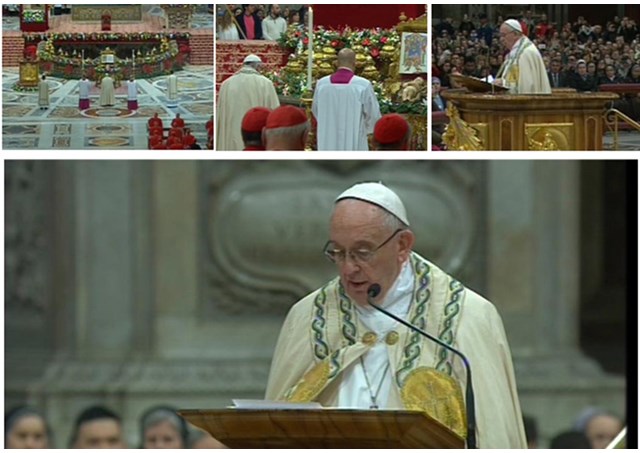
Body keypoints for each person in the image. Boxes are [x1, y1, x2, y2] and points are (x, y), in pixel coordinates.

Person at [265, 182, 527, 448]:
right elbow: (272, 427)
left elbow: (494, 431)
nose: (348, 268)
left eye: (362, 252)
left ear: (402, 245)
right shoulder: (308, 316)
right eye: (337, 252)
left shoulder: (467, 315)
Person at [312, 48, 381, 151]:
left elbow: (316, 110)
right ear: (354, 63)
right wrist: (366, 131)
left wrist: (328, 123)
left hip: (328, 138)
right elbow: (373, 115)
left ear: (337, 63)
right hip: (354, 139)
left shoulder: (322, 84)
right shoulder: (362, 85)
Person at [216, 54, 279, 151]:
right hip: (257, 140)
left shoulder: (226, 84)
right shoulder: (265, 84)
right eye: (260, 68)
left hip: (231, 139)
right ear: (257, 66)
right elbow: (275, 115)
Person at [495, 19, 551, 94]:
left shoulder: (525, 53)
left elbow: (526, 86)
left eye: (503, 35)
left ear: (515, 34)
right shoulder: (515, 53)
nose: (501, 39)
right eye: (500, 35)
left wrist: (503, 84)